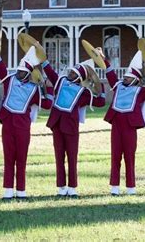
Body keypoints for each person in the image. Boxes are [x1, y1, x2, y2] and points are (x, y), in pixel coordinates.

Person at [0, 46, 54, 199]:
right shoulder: (9, 80)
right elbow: (0, 69)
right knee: (8, 157)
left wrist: (49, 89)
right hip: (7, 123)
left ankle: (21, 190)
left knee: (22, 157)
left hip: (22, 125)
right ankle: (8, 190)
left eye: (22, 72)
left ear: (28, 74)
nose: (19, 74)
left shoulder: (34, 89)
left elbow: (47, 105)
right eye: (18, 71)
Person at [104, 51, 145, 195]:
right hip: (116, 125)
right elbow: (111, 75)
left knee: (129, 156)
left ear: (135, 80)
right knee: (115, 156)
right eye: (125, 77)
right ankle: (114, 187)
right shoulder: (118, 86)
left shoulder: (141, 90)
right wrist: (104, 60)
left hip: (130, 126)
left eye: (128, 78)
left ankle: (131, 187)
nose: (124, 79)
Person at [42, 58, 106, 197]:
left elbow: (100, 102)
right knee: (59, 157)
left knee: (72, 157)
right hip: (57, 124)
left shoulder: (83, 92)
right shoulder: (60, 82)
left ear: (78, 77)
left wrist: (98, 85)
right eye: (70, 71)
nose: (69, 73)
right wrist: (44, 60)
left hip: (71, 127)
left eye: (73, 73)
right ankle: (61, 187)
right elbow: (51, 74)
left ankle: (72, 187)